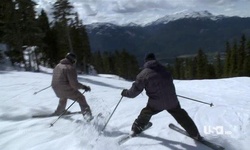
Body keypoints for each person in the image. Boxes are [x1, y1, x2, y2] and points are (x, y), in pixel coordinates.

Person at [121, 53, 201, 140]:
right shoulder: (164, 69)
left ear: (146, 61)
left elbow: (133, 93)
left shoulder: (143, 74)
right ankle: (195, 134)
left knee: (145, 113)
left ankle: (135, 130)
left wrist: (125, 93)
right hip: (172, 100)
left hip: (156, 103)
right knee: (182, 116)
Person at [51, 52, 93, 121]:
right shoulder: (70, 68)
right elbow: (74, 84)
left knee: (63, 97)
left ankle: (59, 111)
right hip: (64, 88)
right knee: (81, 98)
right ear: (73, 60)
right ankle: (88, 116)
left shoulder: (58, 65)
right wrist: (84, 87)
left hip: (55, 87)